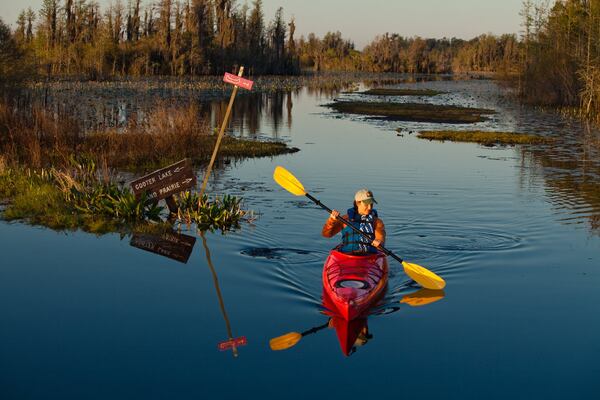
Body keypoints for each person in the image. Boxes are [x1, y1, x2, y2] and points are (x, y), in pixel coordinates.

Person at [322, 189, 386, 254]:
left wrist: (379, 242)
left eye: (371, 204)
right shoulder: (345, 219)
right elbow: (326, 234)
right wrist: (331, 220)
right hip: (346, 255)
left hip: (369, 258)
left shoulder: (377, 222)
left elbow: (380, 239)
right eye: (366, 204)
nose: (370, 208)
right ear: (357, 203)